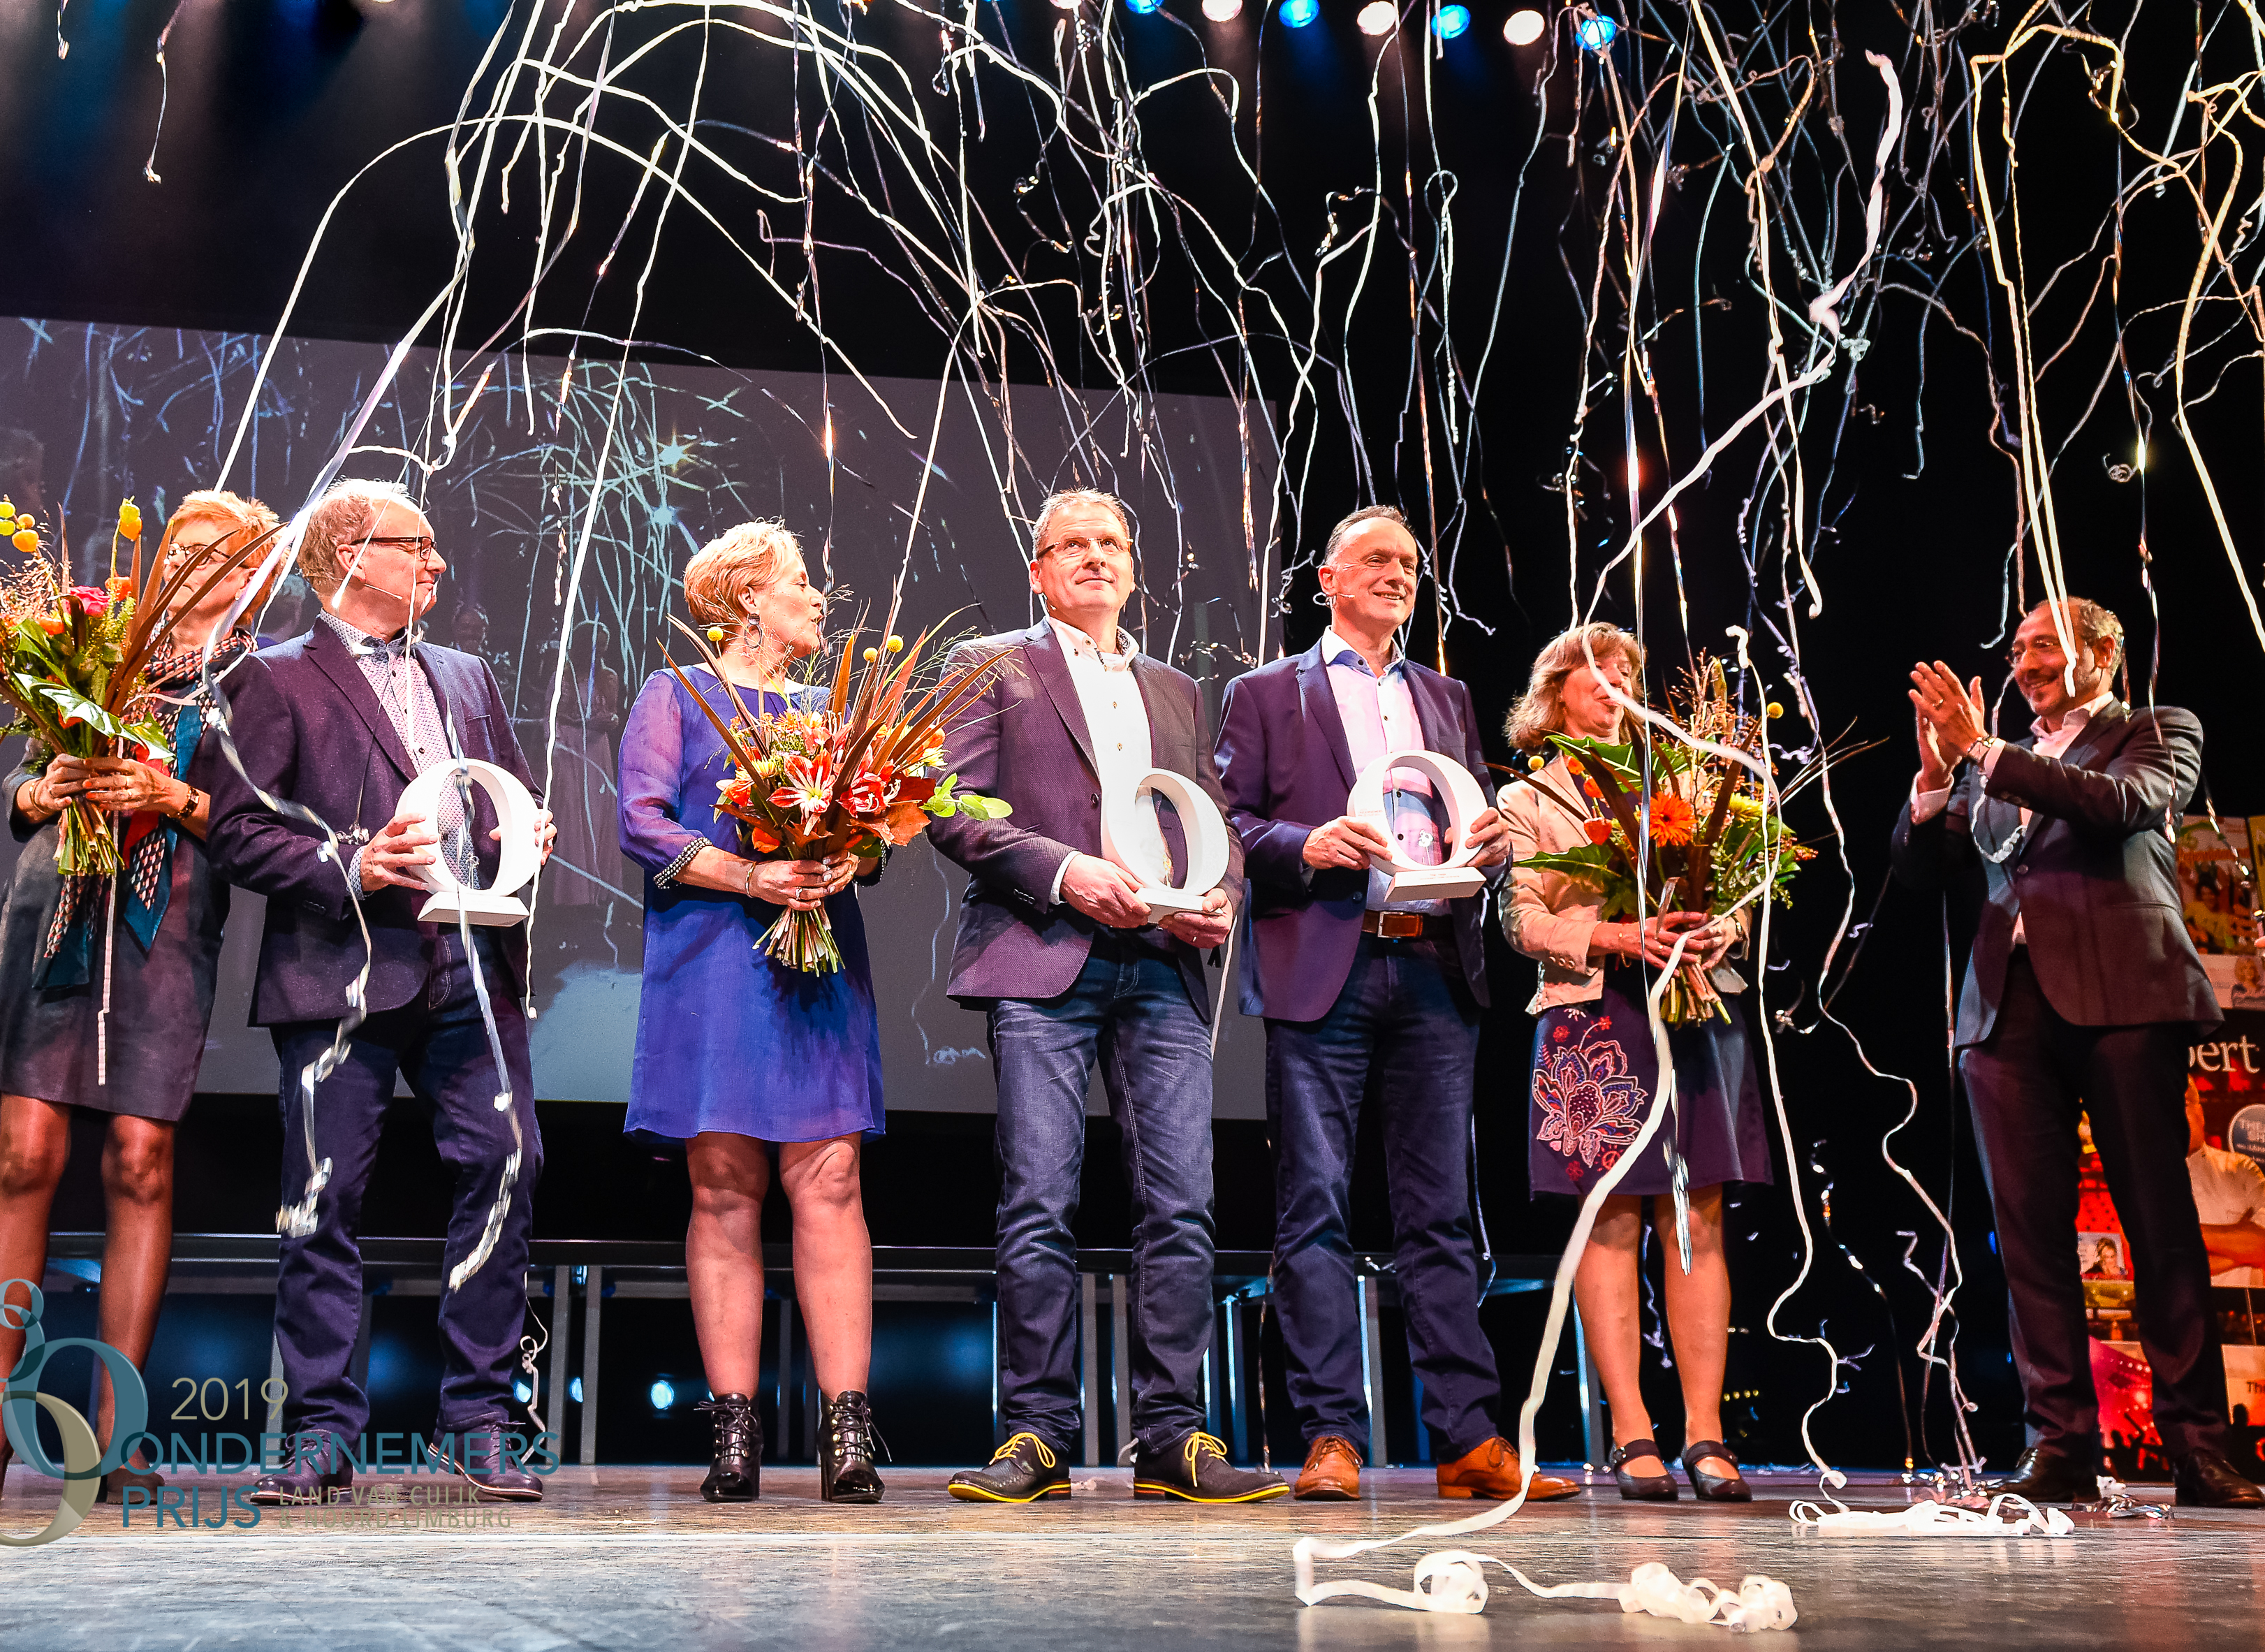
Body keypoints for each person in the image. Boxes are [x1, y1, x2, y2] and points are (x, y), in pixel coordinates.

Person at [198, 477, 557, 1507]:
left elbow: (509, 801)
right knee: (323, 1199)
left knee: (505, 1167)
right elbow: (238, 829)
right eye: (418, 546)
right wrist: (353, 864)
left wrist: (522, 840)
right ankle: (318, 1429)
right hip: (337, 974)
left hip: (468, 967)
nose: (438, 563)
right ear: (352, 554)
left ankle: (480, 1419)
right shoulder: (272, 680)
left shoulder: (466, 673)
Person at [928, 488, 1278, 1505]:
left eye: (1109, 544)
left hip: (1163, 964)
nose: (1092, 558)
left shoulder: (1174, 685)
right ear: (1036, 571)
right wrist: (1062, 871)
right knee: (1038, 1198)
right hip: (1045, 951)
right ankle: (1036, 1433)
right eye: (1068, 546)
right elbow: (952, 804)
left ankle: (1171, 1435)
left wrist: (1217, 895)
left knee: (1181, 1203)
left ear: (1132, 566)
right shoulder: (988, 663)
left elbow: (1206, 823)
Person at [1214, 506, 1571, 1504]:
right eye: (1375, 560)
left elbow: (1461, 815)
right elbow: (1229, 821)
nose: (1396, 576)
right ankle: (1329, 1433)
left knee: (1440, 1212)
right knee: (1313, 1210)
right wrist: (1303, 845)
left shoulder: (1444, 695)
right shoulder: (1262, 693)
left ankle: (1465, 1436)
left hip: (1431, 972)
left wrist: (1491, 841)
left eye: (1409, 565)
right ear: (1325, 578)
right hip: (1320, 966)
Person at [1894, 594, 2262, 1508]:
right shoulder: (1986, 764)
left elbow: (2119, 807)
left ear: (2101, 653)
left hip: (2122, 1000)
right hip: (2001, 1015)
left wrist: (1981, 750)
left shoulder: (2152, 730)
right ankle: (2058, 1440)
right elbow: (1917, 874)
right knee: (2027, 1238)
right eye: (2015, 648)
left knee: (2158, 1227)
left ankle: (2199, 1445)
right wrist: (1937, 778)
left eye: (2044, 646)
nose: (2024, 663)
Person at [0, 490, 277, 1505]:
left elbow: (267, 822)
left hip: (169, 923)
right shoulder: (95, 646)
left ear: (249, 577)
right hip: (53, 906)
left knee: (139, 1162)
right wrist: (37, 790)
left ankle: (116, 1430)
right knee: (27, 1151)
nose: (192, 568)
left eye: (217, 556)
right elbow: (17, 782)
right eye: (180, 549)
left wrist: (175, 798)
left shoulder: (259, 679)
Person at [616, 520, 887, 1505]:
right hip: (716, 960)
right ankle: (734, 1431)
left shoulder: (835, 711)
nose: (818, 599)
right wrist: (749, 874)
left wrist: (856, 851)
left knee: (833, 1178)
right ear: (745, 602)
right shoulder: (677, 694)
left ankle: (846, 1428)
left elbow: (881, 820)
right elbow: (639, 819)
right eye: (800, 584)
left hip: (816, 963)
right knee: (725, 1186)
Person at [1494, 622, 1766, 1503]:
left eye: (1626, 671)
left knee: (1696, 1214)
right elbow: (1520, 920)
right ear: (1555, 694)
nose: (1614, 681)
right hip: (1595, 1013)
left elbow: (1738, 891)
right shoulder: (1529, 798)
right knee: (1609, 1219)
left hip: (1694, 1007)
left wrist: (1725, 925)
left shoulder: (1687, 779)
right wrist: (1612, 934)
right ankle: (1631, 1431)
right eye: (1594, 670)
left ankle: (1707, 1432)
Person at [2186, 1081, 2265, 1285]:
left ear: (2200, 1113)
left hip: (2246, 1312)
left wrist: (2174, 1232)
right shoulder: (2140, 1178)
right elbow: (2151, 1263)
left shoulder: (2241, 1167)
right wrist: (2243, 1244)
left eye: (2184, 1104)